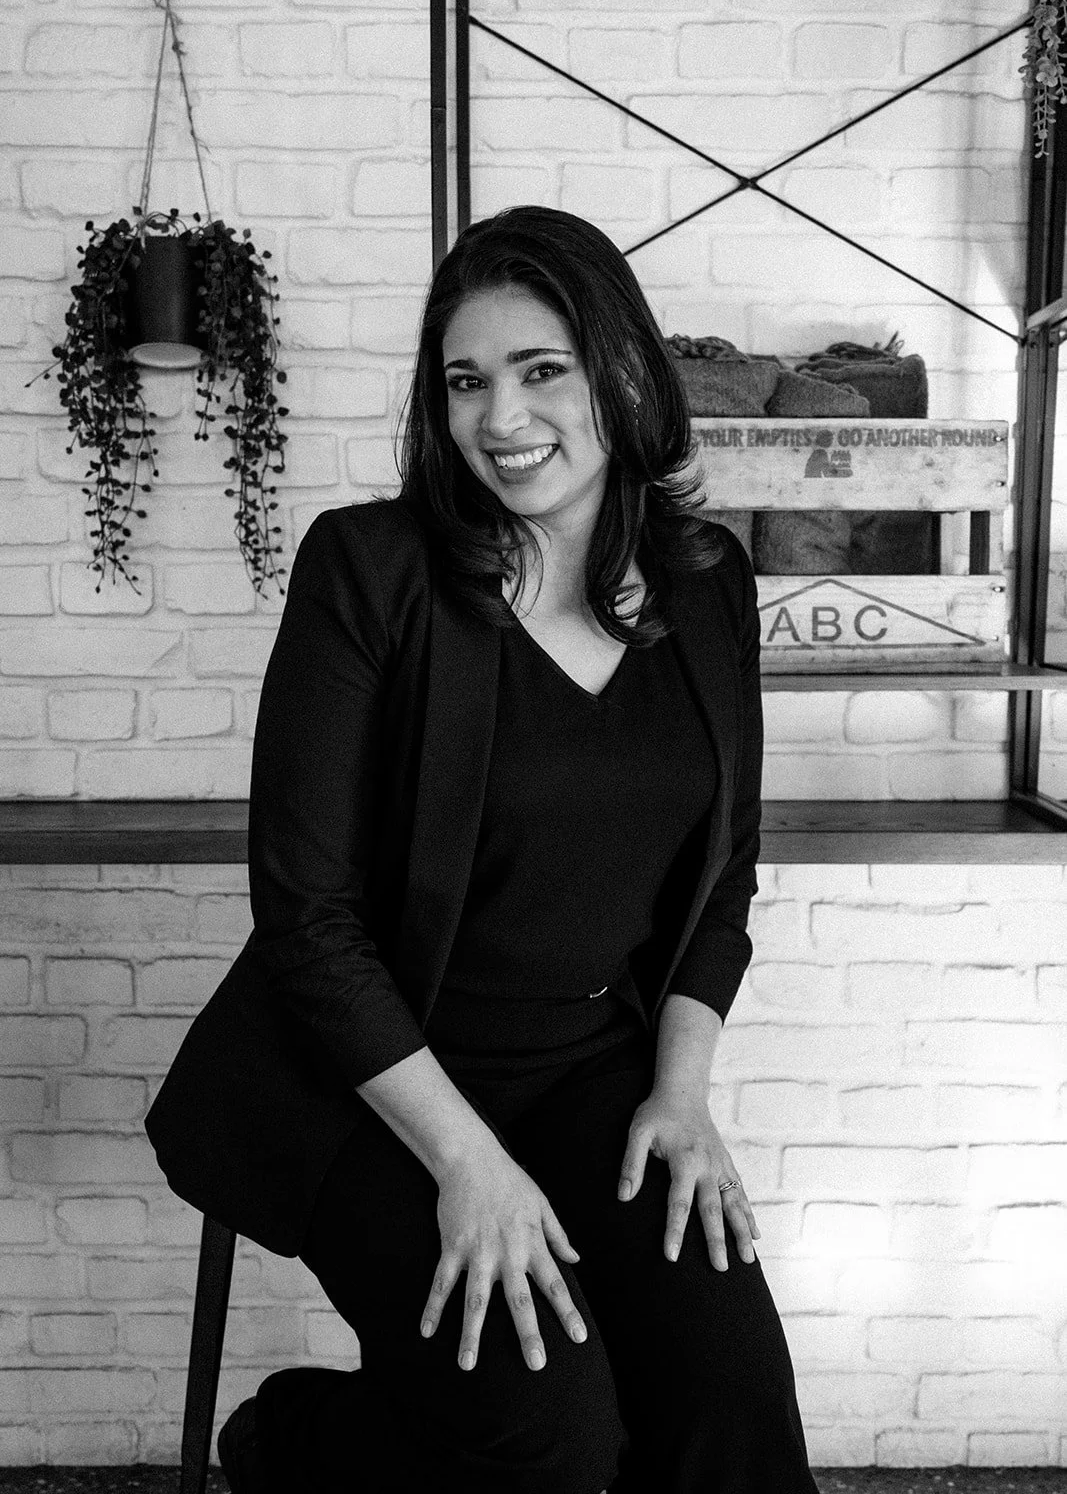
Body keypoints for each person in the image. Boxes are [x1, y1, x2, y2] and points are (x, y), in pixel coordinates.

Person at [145, 205, 820, 1494]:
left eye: (540, 370)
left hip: (588, 1074)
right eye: (465, 381)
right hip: (362, 1085)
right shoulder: (372, 569)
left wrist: (680, 1098)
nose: (499, 417)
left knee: (730, 1403)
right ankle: (293, 1441)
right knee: (555, 1438)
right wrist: (468, 1166)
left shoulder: (706, 578)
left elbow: (723, 876)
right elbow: (309, 919)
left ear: (620, 371)